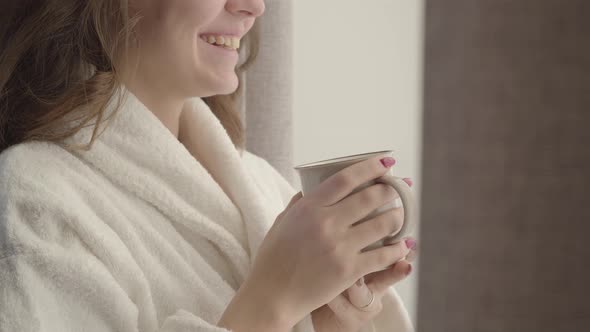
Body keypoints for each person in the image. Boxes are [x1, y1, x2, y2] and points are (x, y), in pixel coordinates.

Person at [0, 1, 418, 331]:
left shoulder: (260, 183)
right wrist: (273, 303)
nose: (254, 6)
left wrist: (322, 324)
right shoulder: (34, 201)